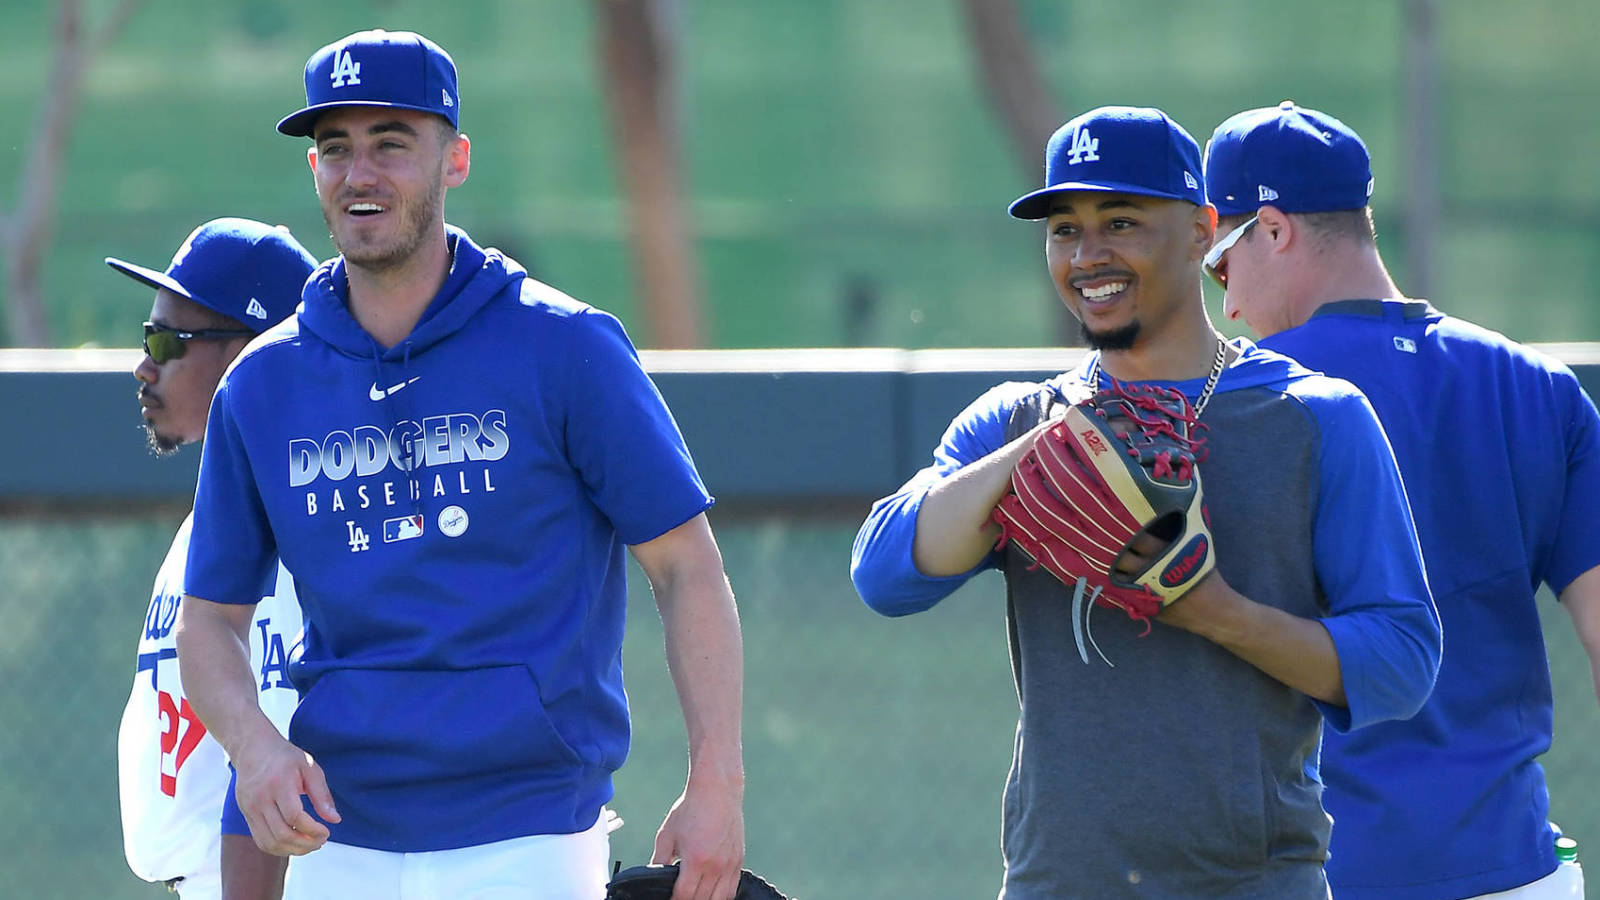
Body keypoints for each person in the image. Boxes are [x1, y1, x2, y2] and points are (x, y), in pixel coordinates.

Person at [172, 30, 746, 900]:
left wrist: (717, 785)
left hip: (530, 832)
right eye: (336, 150)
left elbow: (687, 566)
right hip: (339, 837)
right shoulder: (263, 382)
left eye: (391, 144)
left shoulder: (564, 345)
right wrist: (253, 746)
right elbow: (209, 620)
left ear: (456, 159)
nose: (359, 173)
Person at [850, 106, 1443, 899]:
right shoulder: (1014, 422)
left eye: (1121, 222)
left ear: (1202, 230)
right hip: (1059, 881)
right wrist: (1054, 452)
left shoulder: (1316, 415)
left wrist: (1214, 610)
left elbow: (1402, 662)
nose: (1088, 255)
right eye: (1064, 229)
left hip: (1253, 882)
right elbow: (884, 573)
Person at [1203, 101, 1600, 900]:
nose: (1228, 303)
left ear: (1273, 230)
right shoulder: (1541, 389)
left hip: (1310, 874)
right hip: (1514, 872)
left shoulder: (1231, 400)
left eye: (1221, 264)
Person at [111, 217, 317, 900]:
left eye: (170, 340)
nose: (146, 363)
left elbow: (276, 754)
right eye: (148, 338)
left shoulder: (297, 532)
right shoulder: (212, 522)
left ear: (252, 354)